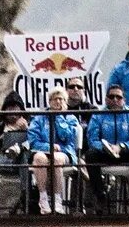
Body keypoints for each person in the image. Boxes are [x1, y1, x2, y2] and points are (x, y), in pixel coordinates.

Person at [82, 83, 129, 211]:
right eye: (111, 96)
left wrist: (122, 146)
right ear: (106, 99)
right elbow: (92, 139)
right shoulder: (98, 115)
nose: (115, 100)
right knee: (90, 155)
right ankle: (100, 194)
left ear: (124, 100)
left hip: (124, 153)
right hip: (105, 152)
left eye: (118, 97)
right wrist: (105, 147)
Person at [26, 87, 85, 215]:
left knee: (57, 158)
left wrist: (58, 118)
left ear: (66, 102)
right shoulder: (39, 118)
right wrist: (49, 147)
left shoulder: (71, 118)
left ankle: (58, 200)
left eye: (62, 99)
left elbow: (66, 137)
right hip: (43, 150)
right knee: (38, 158)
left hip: (65, 152)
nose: (58, 102)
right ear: (49, 101)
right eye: (55, 99)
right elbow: (33, 141)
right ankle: (43, 198)